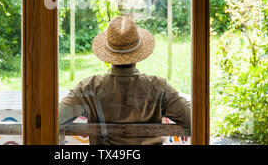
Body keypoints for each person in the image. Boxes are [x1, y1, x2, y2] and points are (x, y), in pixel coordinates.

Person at [59, 15, 191, 145]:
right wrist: (183, 127)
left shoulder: (88, 87)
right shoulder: (158, 87)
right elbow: (193, 119)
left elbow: (55, 120)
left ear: (109, 54)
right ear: (138, 54)